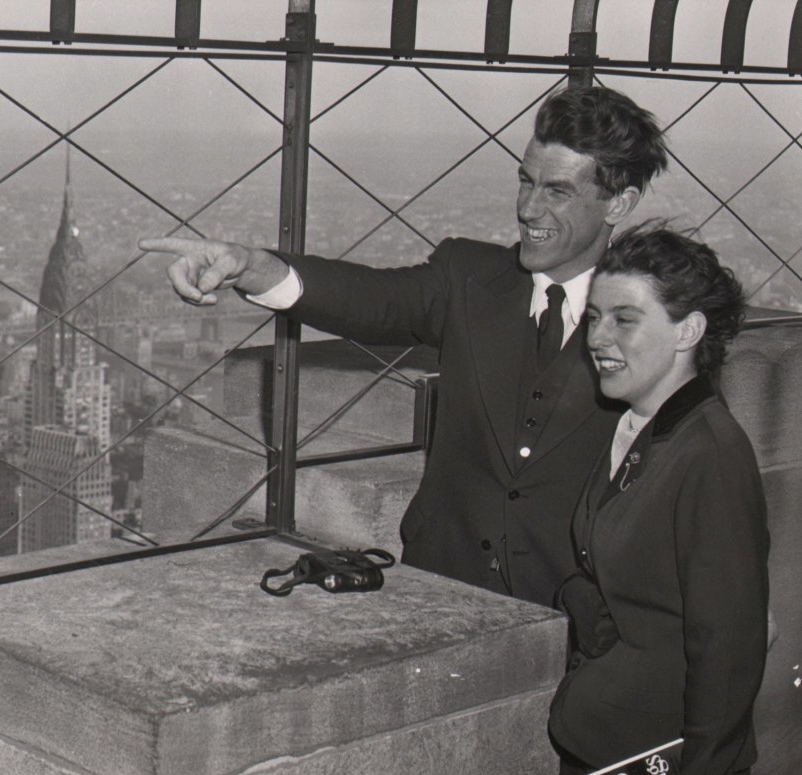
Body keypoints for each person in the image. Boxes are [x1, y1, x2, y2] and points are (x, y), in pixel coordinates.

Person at [139, 85, 669, 608]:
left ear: (619, 203)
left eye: (557, 191)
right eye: (525, 182)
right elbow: (369, 298)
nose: (528, 209)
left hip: (573, 618)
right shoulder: (467, 277)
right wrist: (252, 266)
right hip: (439, 589)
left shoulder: (656, 322)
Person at [547, 224, 769, 775]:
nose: (596, 337)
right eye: (595, 316)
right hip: (613, 773)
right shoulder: (640, 429)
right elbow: (615, 568)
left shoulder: (709, 454)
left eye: (625, 319)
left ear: (689, 331)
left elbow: (729, 647)